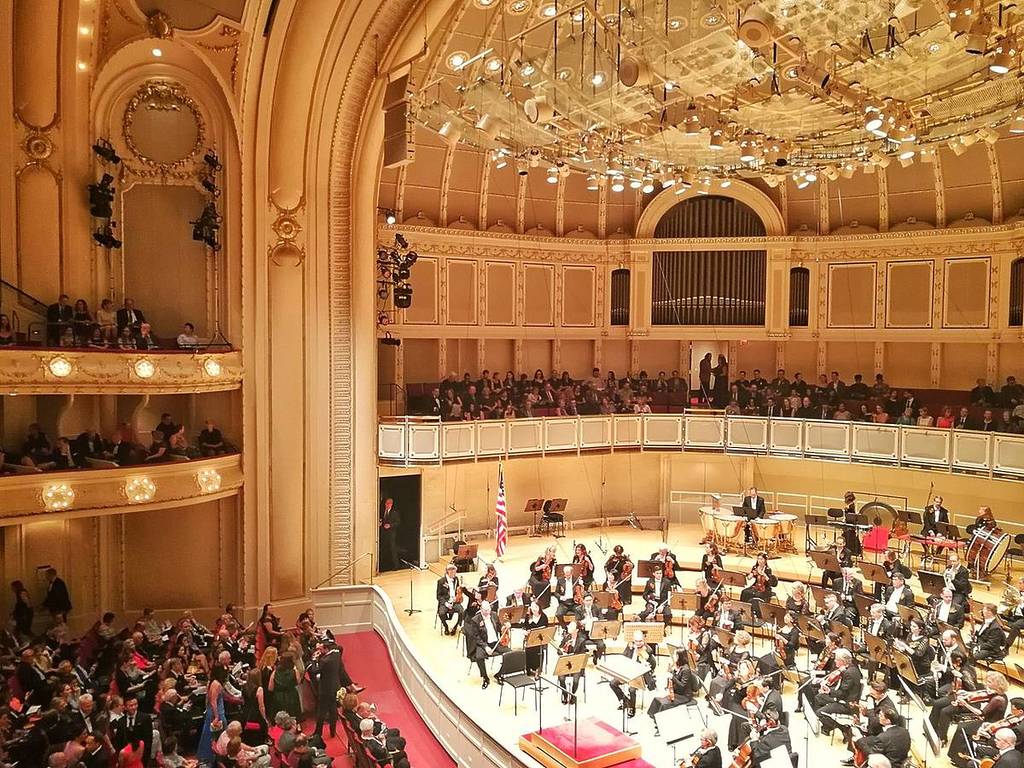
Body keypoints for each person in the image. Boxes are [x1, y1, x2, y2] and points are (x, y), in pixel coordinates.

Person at [610, 631, 656, 718]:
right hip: (628, 671)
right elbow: (624, 657)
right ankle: (625, 701)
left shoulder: (648, 650)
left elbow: (649, 665)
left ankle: (632, 708)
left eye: (640, 641)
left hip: (640, 675)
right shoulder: (630, 646)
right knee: (612, 683)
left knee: (632, 689)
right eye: (636, 641)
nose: (638, 643)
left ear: (644, 640)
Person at [436, 563, 465, 635]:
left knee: (462, 612)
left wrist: (458, 596)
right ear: (447, 571)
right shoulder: (441, 581)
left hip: (454, 602)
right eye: (451, 570)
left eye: (454, 570)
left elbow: (458, 591)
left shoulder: (456, 579)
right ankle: (446, 626)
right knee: (441, 613)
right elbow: (439, 596)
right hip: (445, 602)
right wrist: (446, 603)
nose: (453, 572)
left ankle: (455, 627)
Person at [379, 497, 400, 571]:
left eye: (388, 504)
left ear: (391, 504)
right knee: (383, 549)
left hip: (391, 534)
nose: (387, 505)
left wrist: (390, 525)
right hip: (384, 533)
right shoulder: (383, 512)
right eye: (386, 503)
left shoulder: (394, 513)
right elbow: (382, 520)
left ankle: (396, 565)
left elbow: (397, 523)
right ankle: (383, 565)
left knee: (393, 549)